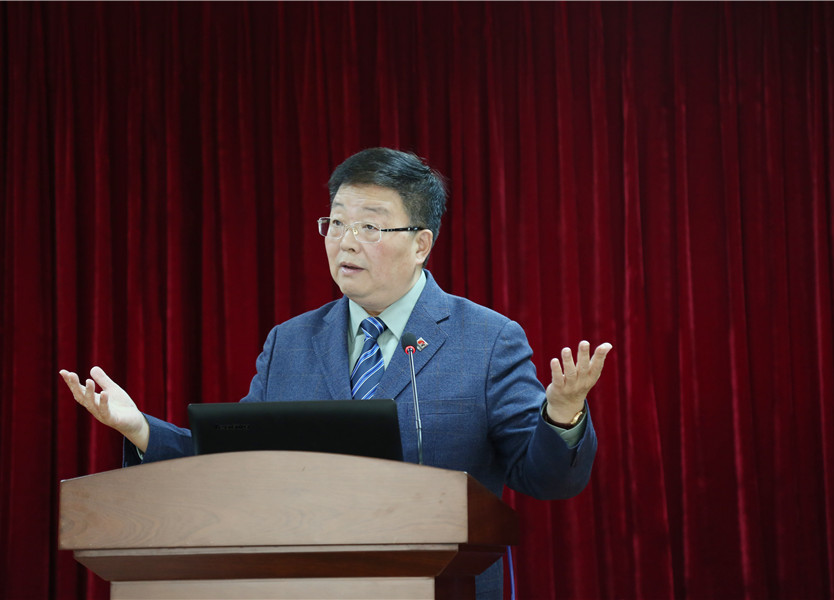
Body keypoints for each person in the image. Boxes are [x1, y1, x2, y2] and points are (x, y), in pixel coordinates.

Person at [60, 147, 612, 599]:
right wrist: (140, 429)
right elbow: (234, 461)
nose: (345, 241)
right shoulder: (290, 342)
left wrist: (562, 416)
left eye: (369, 226)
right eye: (337, 222)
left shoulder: (487, 339)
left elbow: (545, 479)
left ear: (421, 243)